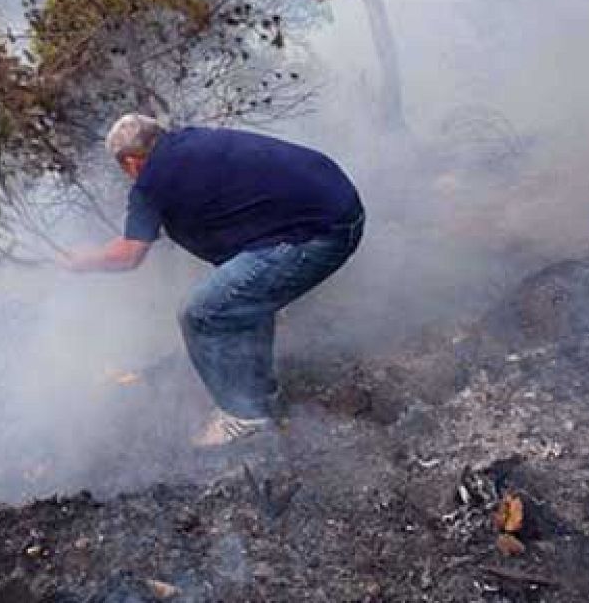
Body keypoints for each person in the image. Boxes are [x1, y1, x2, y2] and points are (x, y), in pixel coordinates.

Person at [60, 114, 365, 447]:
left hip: (317, 235)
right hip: (342, 210)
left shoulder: (153, 179)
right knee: (239, 302)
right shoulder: (195, 142)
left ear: (131, 162)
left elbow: (129, 254)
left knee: (201, 313)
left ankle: (243, 417)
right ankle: (261, 396)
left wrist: (85, 260)